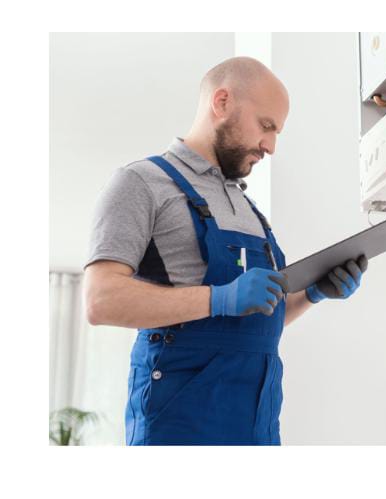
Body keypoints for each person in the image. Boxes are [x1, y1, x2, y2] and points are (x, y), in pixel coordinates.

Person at [83, 56, 368, 445]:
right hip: (180, 426)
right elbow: (101, 300)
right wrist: (220, 298)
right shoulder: (141, 183)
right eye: (266, 126)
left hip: (257, 426)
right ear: (221, 103)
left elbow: (247, 325)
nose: (270, 146)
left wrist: (313, 294)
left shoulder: (248, 209)